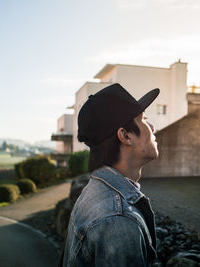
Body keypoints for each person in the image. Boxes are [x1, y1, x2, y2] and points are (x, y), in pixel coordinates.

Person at [61, 83, 160, 267]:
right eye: (144, 119)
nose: (152, 127)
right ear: (125, 135)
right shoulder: (119, 219)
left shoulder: (96, 190)